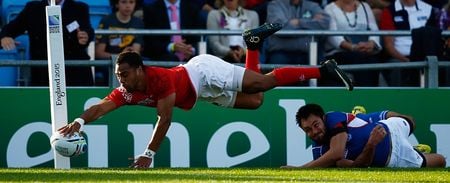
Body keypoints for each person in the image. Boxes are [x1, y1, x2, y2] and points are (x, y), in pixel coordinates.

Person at [58, 23, 354, 168]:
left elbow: (165, 119)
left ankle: (323, 69)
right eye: (118, 75)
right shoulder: (126, 90)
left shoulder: (157, 79)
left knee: (262, 84)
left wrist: (149, 154)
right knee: (256, 101)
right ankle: (253, 43)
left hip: (203, 71)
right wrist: (79, 122)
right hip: (201, 92)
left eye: (124, 74)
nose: (120, 80)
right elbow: (101, 107)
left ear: (139, 70)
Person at [285, 103, 446, 168]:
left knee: (410, 121)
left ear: (323, 119)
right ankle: (415, 150)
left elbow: (337, 152)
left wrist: (299, 169)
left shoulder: (332, 118)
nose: (314, 132)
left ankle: (360, 117)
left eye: (316, 125)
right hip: (394, 158)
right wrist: (371, 144)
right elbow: (359, 168)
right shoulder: (320, 153)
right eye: (308, 130)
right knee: (441, 161)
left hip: (388, 128)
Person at [0, 0, 94, 86]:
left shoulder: (79, 8)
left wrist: (85, 37)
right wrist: (5, 37)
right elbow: (11, 28)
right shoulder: (33, 9)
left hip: (75, 73)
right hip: (43, 74)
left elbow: (87, 30)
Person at [323, 0, 382, 86]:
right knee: (360, 59)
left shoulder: (365, 6)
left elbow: (374, 29)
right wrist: (353, 47)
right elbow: (333, 36)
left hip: (365, 51)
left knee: (373, 61)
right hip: (340, 52)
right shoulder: (329, 8)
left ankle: (371, 94)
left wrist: (371, 43)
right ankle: (364, 95)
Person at [379, 0, 438, 86]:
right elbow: (389, 46)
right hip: (400, 58)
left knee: (441, 65)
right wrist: (407, 61)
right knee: (396, 66)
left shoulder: (428, 9)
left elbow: (433, 40)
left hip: (425, 58)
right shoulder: (389, 11)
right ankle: (399, 98)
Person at [95, 0, 145, 86]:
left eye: (131, 2)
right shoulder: (106, 21)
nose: (128, 6)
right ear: (117, 4)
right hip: (110, 61)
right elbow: (98, 53)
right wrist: (120, 55)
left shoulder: (138, 23)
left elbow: (136, 51)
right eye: (124, 2)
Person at [265, 0, 330, 65]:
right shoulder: (275, 4)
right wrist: (310, 23)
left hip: (308, 53)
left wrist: (298, 22)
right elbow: (279, 27)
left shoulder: (312, 5)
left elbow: (325, 23)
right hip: (281, 53)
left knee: (320, 65)